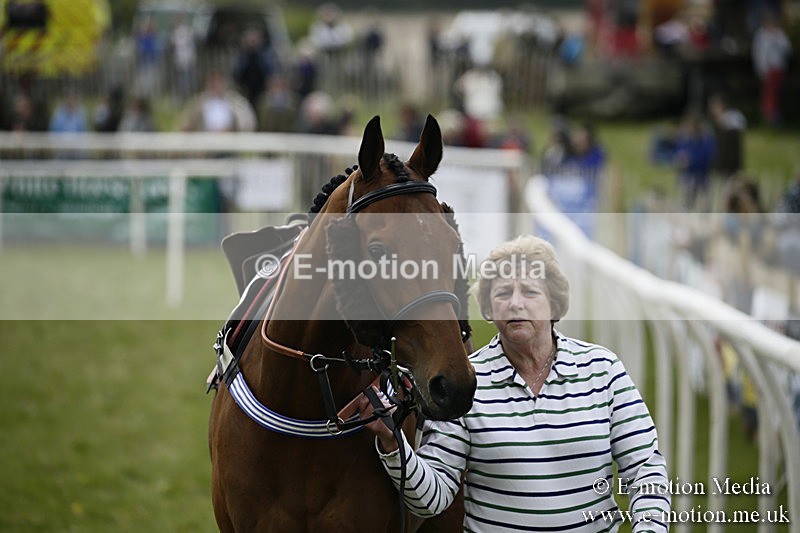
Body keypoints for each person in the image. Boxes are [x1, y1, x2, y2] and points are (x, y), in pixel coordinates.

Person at [358, 235, 671, 531]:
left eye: (530, 292)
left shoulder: (603, 369)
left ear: (555, 304)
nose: (515, 303)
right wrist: (393, 443)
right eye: (503, 293)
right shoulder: (467, 383)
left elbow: (645, 467)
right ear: (489, 310)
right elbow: (431, 498)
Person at [752, 13, 792, 126]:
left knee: (776, 93)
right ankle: (769, 117)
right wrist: (761, 69)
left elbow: (787, 49)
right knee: (768, 94)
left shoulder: (779, 34)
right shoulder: (761, 35)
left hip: (778, 67)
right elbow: (759, 54)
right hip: (767, 69)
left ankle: (775, 116)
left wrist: (776, 39)